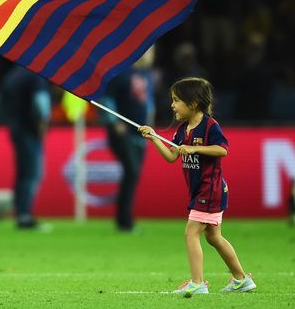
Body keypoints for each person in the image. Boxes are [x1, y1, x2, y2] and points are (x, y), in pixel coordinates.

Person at [138, 77, 256, 295]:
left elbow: (222, 150)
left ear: (192, 103)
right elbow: (172, 156)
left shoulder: (210, 126)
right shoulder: (183, 129)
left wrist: (194, 150)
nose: (172, 105)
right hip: (202, 190)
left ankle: (198, 283)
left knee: (191, 233)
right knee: (213, 237)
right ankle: (241, 280)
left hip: (209, 189)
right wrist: (154, 137)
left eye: (176, 100)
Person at [100, 46, 155, 232]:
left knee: (133, 174)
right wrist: (114, 123)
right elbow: (106, 98)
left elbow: (149, 104)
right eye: (148, 50)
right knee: (132, 171)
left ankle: (124, 220)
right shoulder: (121, 73)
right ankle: (124, 221)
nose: (151, 55)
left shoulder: (146, 75)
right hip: (123, 133)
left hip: (141, 134)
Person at [0, 65, 50, 230]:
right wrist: (42, 125)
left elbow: (0, 101)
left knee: (22, 174)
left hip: (16, 127)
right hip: (29, 130)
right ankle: (25, 216)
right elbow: (40, 103)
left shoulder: (13, 75)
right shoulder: (36, 75)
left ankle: (21, 213)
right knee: (33, 173)